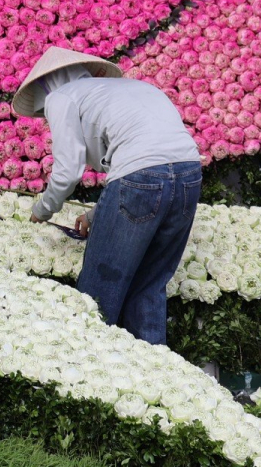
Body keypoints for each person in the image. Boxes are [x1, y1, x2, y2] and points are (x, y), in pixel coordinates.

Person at [13, 46, 203, 346]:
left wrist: (42, 209)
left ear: (45, 88)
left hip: (141, 178)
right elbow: (152, 165)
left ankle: (90, 362)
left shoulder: (61, 97)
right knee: (149, 285)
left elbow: (68, 171)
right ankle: (155, 372)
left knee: (101, 288)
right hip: (189, 174)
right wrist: (95, 215)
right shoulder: (131, 88)